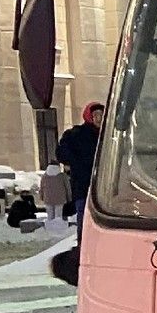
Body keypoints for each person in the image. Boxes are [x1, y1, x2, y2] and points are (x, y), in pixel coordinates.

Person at [55, 102, 104, 242]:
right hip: (82, 185)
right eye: (95, 115)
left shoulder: (110, 136)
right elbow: (61, 153)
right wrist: (76, 163)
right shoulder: (76, 134)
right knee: (84, 218)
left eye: (101, 115)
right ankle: (83, 246)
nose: (99, 119)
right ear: (89, 116)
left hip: (105, 187)